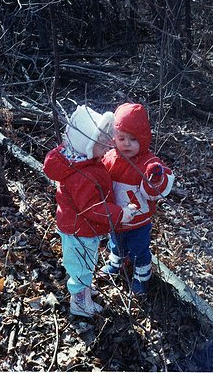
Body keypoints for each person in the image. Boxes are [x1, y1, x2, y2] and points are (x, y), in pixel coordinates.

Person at [43, 105, 136, 317]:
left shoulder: (82, 162)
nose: (108, 146)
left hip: (81, 228)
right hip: (79, 230)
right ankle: (80, 302)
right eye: (102, 143)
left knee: (84, 263)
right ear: (86, 145)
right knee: (81, 265)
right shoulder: (81, 175)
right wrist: (120, 213)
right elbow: (93, 207)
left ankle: (83, 289)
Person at [100, 103, 175, 295]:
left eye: (133, 139)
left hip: (138, 220)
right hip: (116, 216)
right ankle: (116, 262)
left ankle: (142, 277)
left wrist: (155, 177)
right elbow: (98, 177)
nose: (126, 144)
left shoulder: (149, 163)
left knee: (138, 250)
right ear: (114, 138)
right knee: (116, 243)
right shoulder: (109, 157)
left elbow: (156, 191)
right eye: (122, 138)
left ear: (143, 140)